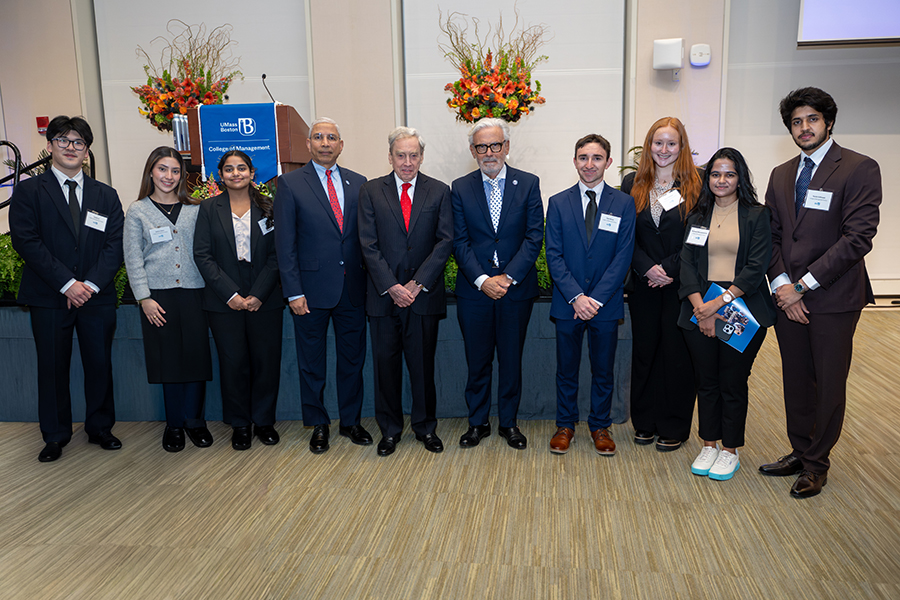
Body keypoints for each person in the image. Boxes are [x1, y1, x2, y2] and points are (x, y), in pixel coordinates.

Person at [759, 87, 881, 498]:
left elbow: (857, 238)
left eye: (812, 119)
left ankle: (817, 464)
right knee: (796, 379)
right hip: (786, 296)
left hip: (832, 297)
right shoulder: (781, 173)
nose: (804, 127)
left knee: (828, 382)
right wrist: (782, 286)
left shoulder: (859, 168)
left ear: (828, 122)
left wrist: (802, 287)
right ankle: (799, 450)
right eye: (796, 122)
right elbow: (772, 236)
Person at [9, 115, 124, 462]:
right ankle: (55, 435)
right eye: (63, 140)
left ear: (87, 151)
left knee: (100, 364)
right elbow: (26, 241)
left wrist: (89, 285)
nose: (70, 147)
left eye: (78, 142)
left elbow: (115, 244)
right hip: (49, 295)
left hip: (96, 296)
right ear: (50, 146)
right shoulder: (29, 190)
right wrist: (67, 283)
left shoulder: (106, 195)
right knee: (52, 367)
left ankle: (100, 428)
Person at [274, 117, 372, 454]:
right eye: (319, 137)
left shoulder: (359, 182)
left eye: (332, 138)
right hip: (309, 291)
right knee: (311, 363)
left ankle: (351, 421)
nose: (325, 143)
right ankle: (318, 423)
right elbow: (284, 243)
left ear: (341, 145)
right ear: (309, 144)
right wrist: (293, 291)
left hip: (352, 289)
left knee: (352, 361)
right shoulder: (290, 184)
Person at [678, 147, 777, 481]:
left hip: (743, 306)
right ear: (708, 178)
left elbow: (756, 267)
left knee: (732, 382)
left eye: (729, 174)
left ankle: (730, 450)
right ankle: (709, 444)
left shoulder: (756, 215)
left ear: (740, 178)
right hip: (699, 305)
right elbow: (687, 264)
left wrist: (717, 304)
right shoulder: (697, 216)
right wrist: (700, 308)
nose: (722, 180)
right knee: (706, 381)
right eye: (716, 174)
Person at [358, 127, 453, 456]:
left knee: (423, 367)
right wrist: (392, 286)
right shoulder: (371, 191)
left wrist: (417, 283)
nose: (407, 162)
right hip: (383, 297)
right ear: (390, 157)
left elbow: (445, 241)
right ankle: (389, 430)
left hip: (423, 296)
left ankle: (426, 428)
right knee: (385, 367)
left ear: (422, 157)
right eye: (401, 155)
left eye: (414, 155)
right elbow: (367, 244)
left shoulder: (439, 191)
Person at [450, 117, 544, 450]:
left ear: (506, 147)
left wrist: (507, 277)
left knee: (510, 360)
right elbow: (459, 241)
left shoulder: (528, 183)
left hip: (515, 290)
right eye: (481, 146)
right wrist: (482, 280)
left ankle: (508, 423)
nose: (489, 152)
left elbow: (534, 236)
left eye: (495, 145)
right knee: (477, 361)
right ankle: (477, 423)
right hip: (474, 291)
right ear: (472, 151)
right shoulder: (460, 187)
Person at [545, 134, 636, 456]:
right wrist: (576, 297)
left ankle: (600, 425)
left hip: (605, 305)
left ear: (608, 162)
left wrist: (594, 299)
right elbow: (553, 255)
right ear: (574, 161)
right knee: (566, 370)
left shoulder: (623, 203)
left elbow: (623, 256)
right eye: (583, 157)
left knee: (603, 370)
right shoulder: (558, 202)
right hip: (568, 304)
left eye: (596, 158)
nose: (589, 164)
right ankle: (565, 425)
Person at [124, 147, 213, 452]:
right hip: (157, 297)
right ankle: (174, 424)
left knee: (196, 358)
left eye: (175, 171)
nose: (168, 176)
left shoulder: (195, 209)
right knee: (168, 361)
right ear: (151, 172)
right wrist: (144, 298)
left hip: (194, 291)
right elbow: (133, 258)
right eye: (162, 169)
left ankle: (195, 422)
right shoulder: (138, 211)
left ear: (182, 176)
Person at [194, 151, 283, 451]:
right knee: (233, 364)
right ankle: (240, 424)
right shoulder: (208, 208)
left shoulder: (268, 205)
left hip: (264, 294)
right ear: (220, 175)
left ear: (252, 173)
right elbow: (203, 255)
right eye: (229, 169)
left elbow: (277, 254)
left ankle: (264, 421)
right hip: (224, 297)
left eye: (241, 168)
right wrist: (231, 294)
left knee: (266, 362)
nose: (236, 174)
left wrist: (258, 294)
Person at [622, 117, 701, 452]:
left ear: (681, 146)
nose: (664, 149)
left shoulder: (696, 184)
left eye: (671, 143)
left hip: (681, 285)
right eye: (658, 143)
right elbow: (625, 234)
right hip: (644, 285)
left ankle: (673, 425)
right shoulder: (632, 183)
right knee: (645, 352)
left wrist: (667, 269)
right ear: (649, 145)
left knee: (676, 355)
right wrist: (646, 268)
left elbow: (698, 237)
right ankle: (644, 422)